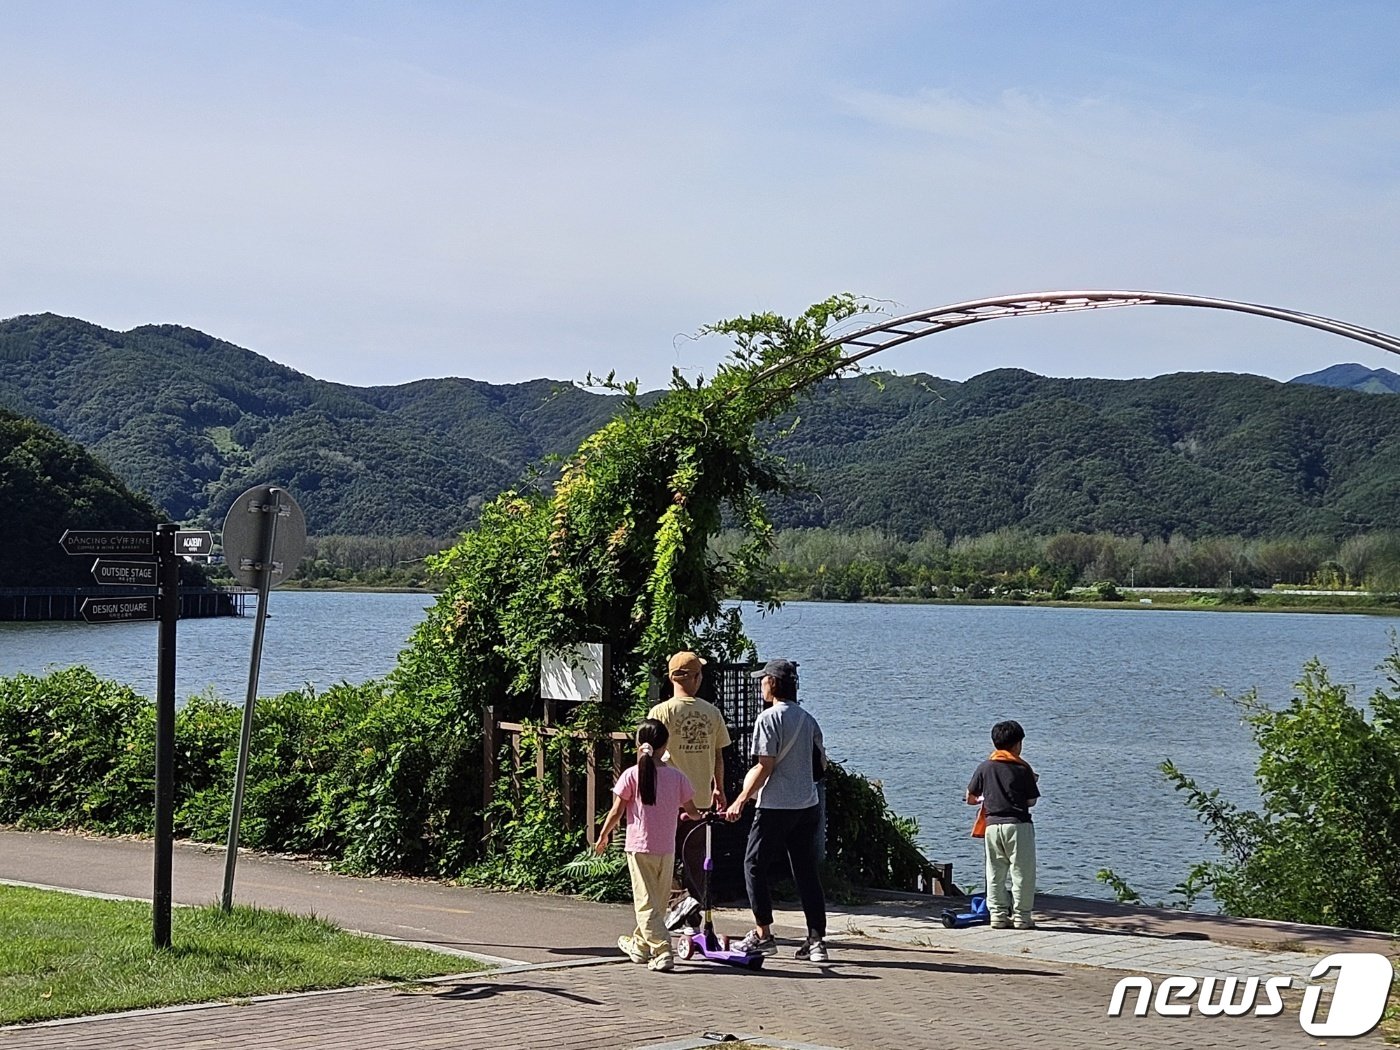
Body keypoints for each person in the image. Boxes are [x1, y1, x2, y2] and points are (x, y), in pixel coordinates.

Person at [723, 657, 829, 963]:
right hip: (807, 804)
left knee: (754, 865)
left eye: (763, 680)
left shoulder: (768, 719)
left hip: (775, 805)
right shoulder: (807, 719)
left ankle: (763, 934)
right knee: (806, 871)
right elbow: (820, 763)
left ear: (773, 683)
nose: (760, 685)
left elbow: (764, 765)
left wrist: (741, 798)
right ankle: (816, 939)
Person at [595, 718, 700, 972]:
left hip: (639, 847)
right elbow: (692, 811)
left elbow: (616, 812)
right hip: (666, 847)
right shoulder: (676, 777)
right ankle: (641, 946)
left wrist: (603, 835)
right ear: (665, 746)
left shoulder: (630, 775)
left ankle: (662, 950)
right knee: (658, 903)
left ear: (638, 745)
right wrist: (701, 816)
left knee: (646, 903)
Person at [647, 651, 732, 910]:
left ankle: (668, 906)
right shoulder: (712, 712)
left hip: (667, 798)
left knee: (663, 855)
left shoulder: (660, 711)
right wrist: (719, 787)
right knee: (696, 857)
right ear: (696, 678)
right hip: (701, 799)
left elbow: (650, 755)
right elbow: (718, 756)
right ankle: (695, 912)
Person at [965, 719, 1040, 930]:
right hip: (1018, 826)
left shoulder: (985, 766)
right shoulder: (1022, 768)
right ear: (1017, 744)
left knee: (995, 872)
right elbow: (1031, 801)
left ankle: (997, 915)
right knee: (1022, 873)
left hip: (992, 826)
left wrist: (986, 799)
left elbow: (970, 797)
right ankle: (1022, 917)